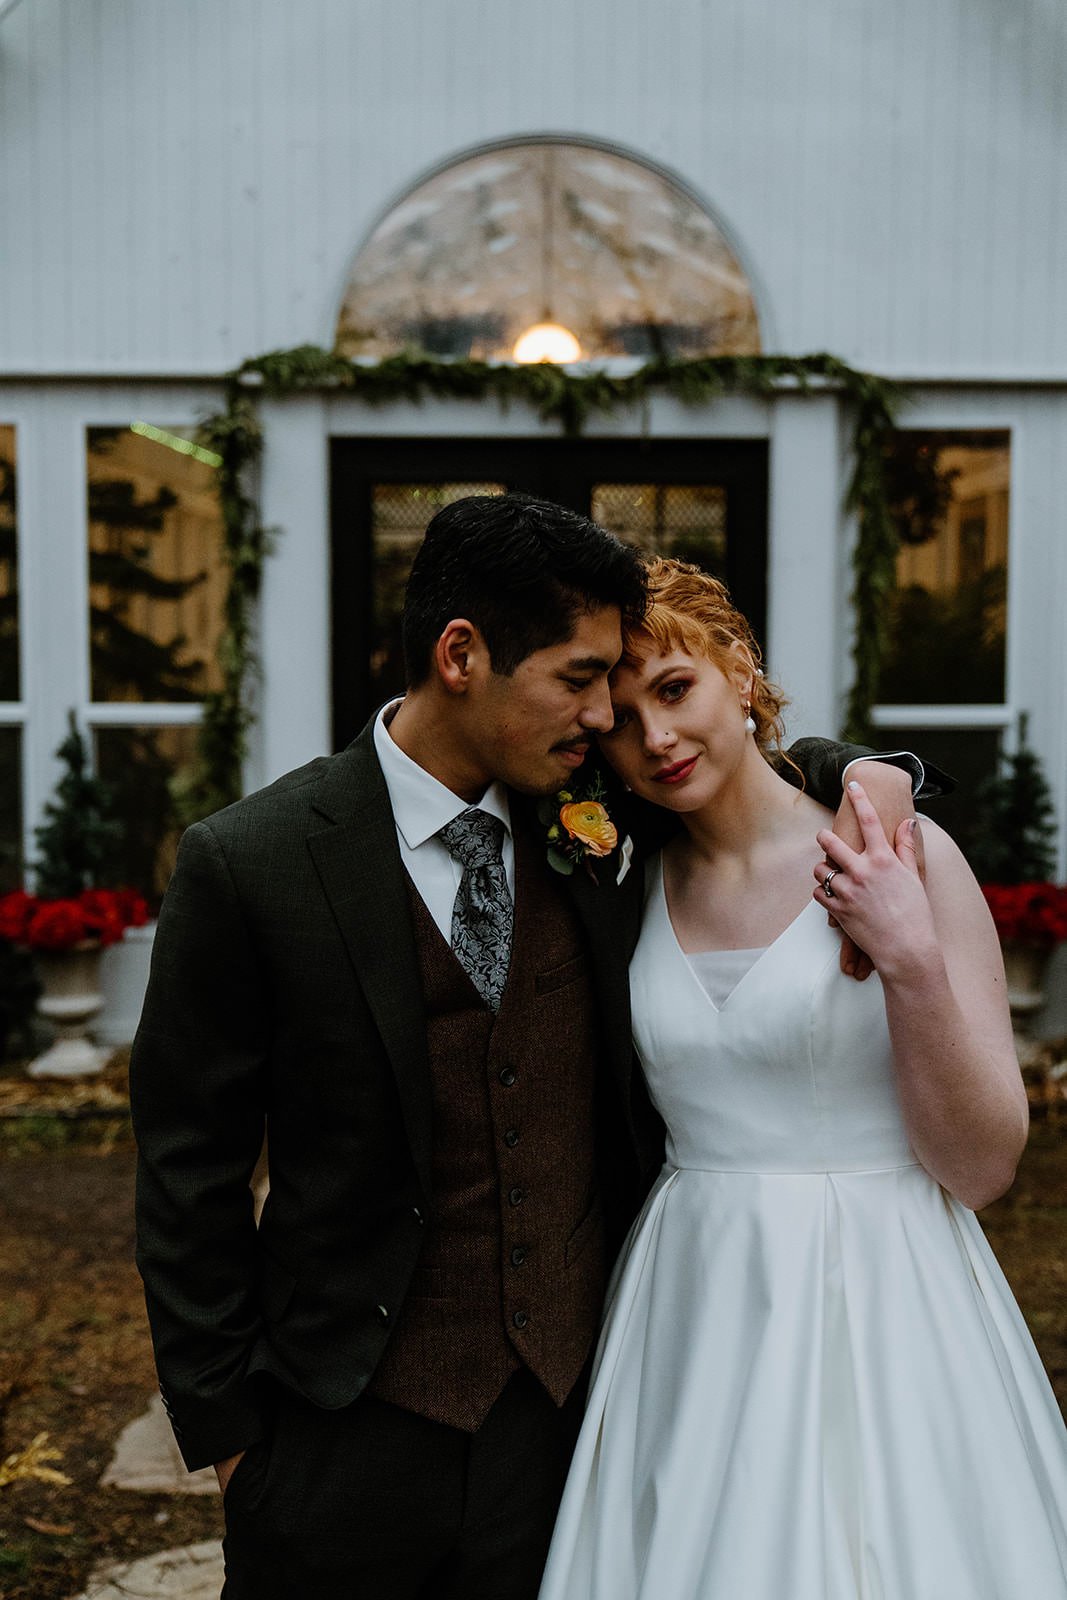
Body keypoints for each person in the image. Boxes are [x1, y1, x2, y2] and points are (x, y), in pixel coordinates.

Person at [130, 495, 923, 1600]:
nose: (607, 713)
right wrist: (234, 1448)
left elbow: (745, 771)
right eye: (577, 674)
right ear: (461, 655)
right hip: (337, 1439)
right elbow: (186, 1176)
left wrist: (868, 774)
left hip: (565, 1432)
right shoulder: (249, 862)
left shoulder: (597, 813)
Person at [537, 557, 1067, 1600]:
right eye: (623, 716)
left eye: (676, 688)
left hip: (883, 1285)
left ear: (738, 671)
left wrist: (906, 953)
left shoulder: (896, 848)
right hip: (692, 1294)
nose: (654, 738)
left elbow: (984, 1161)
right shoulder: (622, 883)